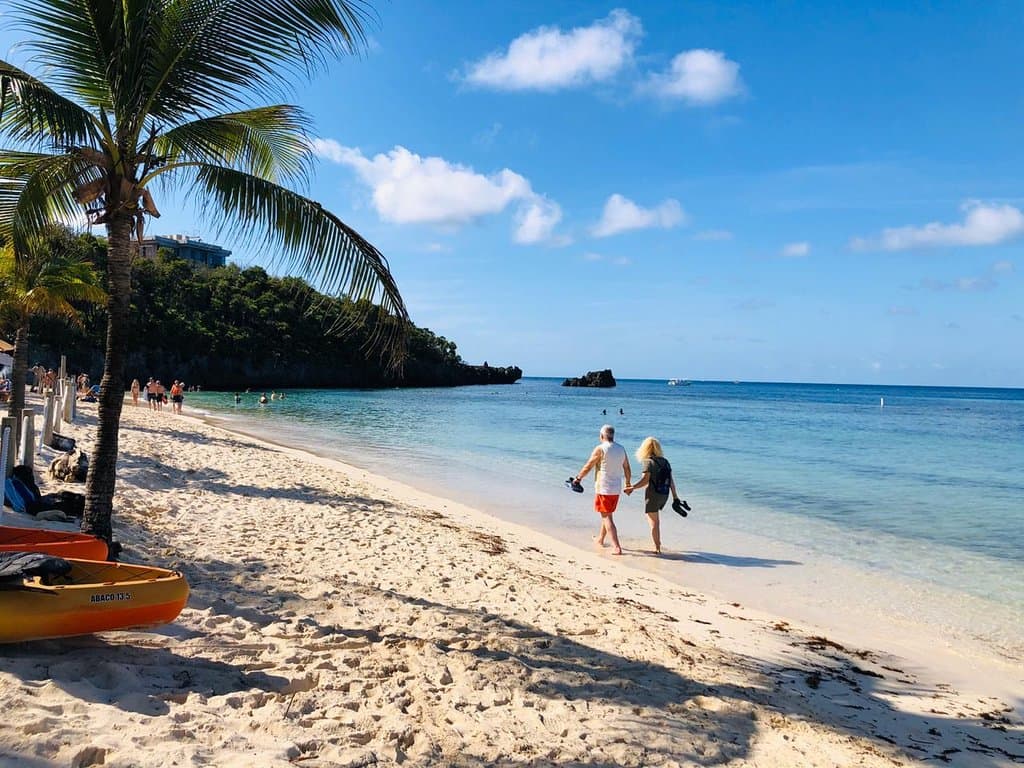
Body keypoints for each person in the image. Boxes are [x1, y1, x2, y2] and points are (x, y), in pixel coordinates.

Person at [573, 425, 631, 556]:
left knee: (606, 517)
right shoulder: (621, 449)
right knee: (607, 514)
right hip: (616, 488)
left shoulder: (600, 449)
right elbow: (627, 468)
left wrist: (578, 478)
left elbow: (589, 465)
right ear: (613, 436)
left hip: (604, 488)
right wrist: (628, 483)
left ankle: (616, 547)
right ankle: (600, 539)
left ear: (601, 436)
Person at [624, 437, 681, 555]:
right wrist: (675, 497)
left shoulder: (648, 462)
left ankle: (657, 548)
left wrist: (632, 488)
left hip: (653, 494)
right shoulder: (665, 461)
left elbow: (645, 481)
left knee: (654, 522)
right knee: (655, 520)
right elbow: (671, 481)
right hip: (664, 494)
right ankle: (658, 544)